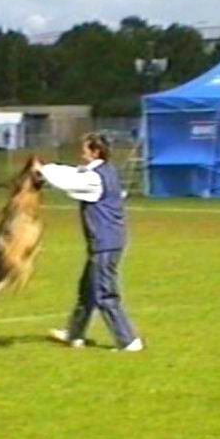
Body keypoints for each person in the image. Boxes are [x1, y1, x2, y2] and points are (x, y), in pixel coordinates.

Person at [35, 133, 144, 352]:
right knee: (87, 291)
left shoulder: (94, 179)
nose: (80, 151)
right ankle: (75, 335)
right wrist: (46, 167)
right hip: (106, 241)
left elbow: (69, 182)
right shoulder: (104, 171)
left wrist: (43, 171)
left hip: (105, 242)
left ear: (95, 152)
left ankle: (129, 341)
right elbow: (72, 172)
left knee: (105, 293)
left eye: (85, 148)